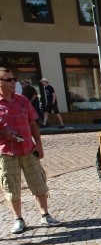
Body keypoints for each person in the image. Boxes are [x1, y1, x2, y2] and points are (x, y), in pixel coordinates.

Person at [0, 67, 61, 234]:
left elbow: (33, 123)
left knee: (39, 182)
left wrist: (39, 144)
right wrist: (5, 134)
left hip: (28, 149)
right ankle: (18, 219)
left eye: (14, 79)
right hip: (7, 152)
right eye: (8, 80)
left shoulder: (22, 100)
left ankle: (45, 215)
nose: (13, 82)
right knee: (11, 187)